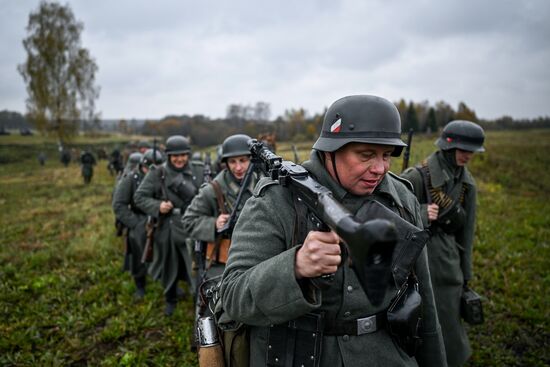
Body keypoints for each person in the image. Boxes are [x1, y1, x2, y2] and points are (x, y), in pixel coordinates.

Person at [220, 95, 447, 367]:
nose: (379, 169)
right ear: (330, 151)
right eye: (366, 155)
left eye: (386, 156)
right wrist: (295, 267)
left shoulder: (401, 197)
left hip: (387, 354)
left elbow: (423, 296)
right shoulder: (275, 201)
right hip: (302, 355)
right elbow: (233, 296)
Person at [400, 120, 485, 367]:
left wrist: (466, 276)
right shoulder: (416, 176)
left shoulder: (467, 184)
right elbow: (393, 216)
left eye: (471, 151)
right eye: (463, 149)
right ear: (448, 147)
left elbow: (466, 234)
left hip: (448, 264)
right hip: (417, 260)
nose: (467, 155)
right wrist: (422, 212)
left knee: (447, 320)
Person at [134, 135, 202, 316]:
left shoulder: (199, 170)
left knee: (196, 268)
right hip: (168, 227)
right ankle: (170, 299)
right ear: (168, 156)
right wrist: (158, 206)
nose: (179, 159)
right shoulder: (158, 173)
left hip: (193, 227)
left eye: (183, 155)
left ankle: (199, 302)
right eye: (175, 156)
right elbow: (139, 197)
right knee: (168, 267)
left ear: (188, 155)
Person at [183, 134, 260, 280]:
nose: (238, 167)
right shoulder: (213, 190)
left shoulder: (262, 184)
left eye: (243, 161)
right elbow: (188, 221)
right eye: (232, 162)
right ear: (226, 163)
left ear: (251, 160)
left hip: (257, 261)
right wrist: (213, 223)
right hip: (221, 267)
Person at [112, 149, 163, 299]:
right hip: (139, 220)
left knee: (164, 253)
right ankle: (140, 285)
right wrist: (135, 223)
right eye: (149, 168)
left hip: (159, 219)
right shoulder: (130, 179)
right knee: (138, 254)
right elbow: (119, 205)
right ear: (143, 166)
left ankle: (166, 281)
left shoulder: (162, 177)